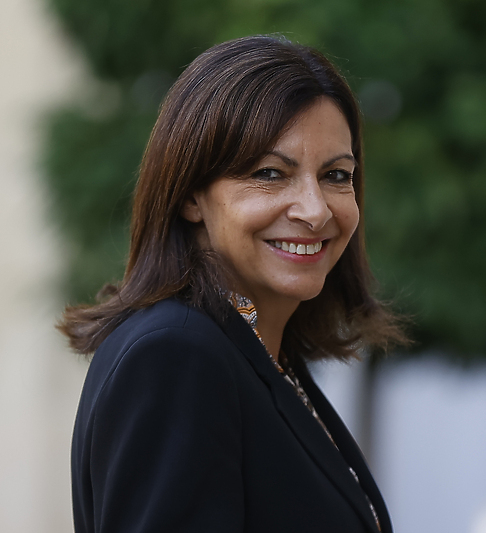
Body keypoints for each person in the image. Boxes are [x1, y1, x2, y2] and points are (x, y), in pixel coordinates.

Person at [59, 35, 406, 533]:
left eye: (335, 174)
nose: (315, 210)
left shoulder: (256, 352)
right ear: (191, 196)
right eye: (269, 173)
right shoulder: (177, 356)